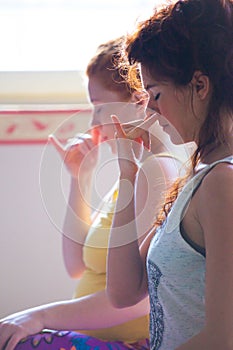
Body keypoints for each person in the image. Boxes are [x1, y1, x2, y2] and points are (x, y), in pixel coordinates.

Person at [0, 36, 182, 350]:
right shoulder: (133, 172)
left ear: (140, 101)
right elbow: (77, 267)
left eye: (98, 107)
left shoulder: (157, 172)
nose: (93, 120)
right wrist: (80, 178)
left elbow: (140, 299)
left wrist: (39, 317)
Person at [106, 0, 233, 349]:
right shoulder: (198, 176)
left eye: (156, 94)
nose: (149, 110)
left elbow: (223, 338)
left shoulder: (222, 183)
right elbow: (123, 291)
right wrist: (126, 174)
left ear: (200, 86)